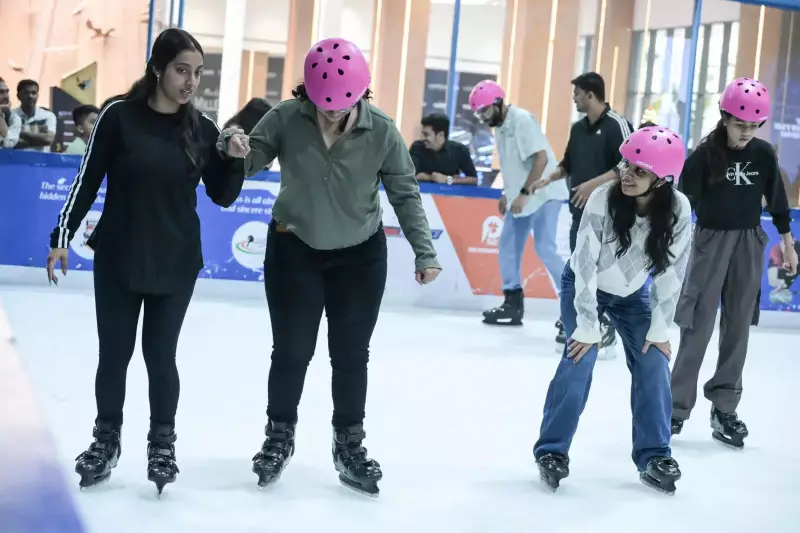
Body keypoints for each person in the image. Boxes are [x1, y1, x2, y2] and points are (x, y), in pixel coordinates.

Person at [218, 38, 441, 497]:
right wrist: (231, 142)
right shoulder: (285, 117)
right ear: (309, 93)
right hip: (293, 248)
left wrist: (425, 252)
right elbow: (251, 158)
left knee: (351, 354)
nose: (333, 114)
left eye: (342, 105)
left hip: (359, 257)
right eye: (324, 106)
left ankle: (349, 446)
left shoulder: (382, 130)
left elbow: (405, 193)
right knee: (291, 351)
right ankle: (278, 437)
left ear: (361, 93)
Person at [45, 28, 248, 494]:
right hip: (119, 255)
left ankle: (161, 444)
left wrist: (235, 159)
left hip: (176, 260)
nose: (191, 81)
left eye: (198, 73)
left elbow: (222, 195)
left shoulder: (203, 128)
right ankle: (106, 441)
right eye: (181, 70)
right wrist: (61, 236)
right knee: (114, 355)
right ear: (157, 69)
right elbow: (87, 178)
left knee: (160, 356)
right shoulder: (118, 116)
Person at [532, 126, 693, 496]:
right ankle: (552, 450)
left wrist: (659, 327)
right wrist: (587, 324)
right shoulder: (603, 197)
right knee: (580, 357)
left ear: (663, 179)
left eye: (639, 170)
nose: (626, 174)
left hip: (632, 296)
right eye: (625, 164)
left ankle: (654, 455)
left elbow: (672, 273)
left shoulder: (679, 210)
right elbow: (585, 263)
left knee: (654, 361)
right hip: (583, 284)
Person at [670, 77, 798, 448]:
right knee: (697, 324)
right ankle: (675, 409)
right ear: (725, 116)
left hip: (749, 241)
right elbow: (682, 206)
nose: (746, 132)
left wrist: (788, 244)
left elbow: (777, 202)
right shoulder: (703, 156)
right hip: (710, 241)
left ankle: (724, 407)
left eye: (754, 125)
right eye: (740, 124)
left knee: (739, 325)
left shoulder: (763, 154)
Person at [533, 73, 633, 355]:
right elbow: (567, 164)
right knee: (579, 270)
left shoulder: (617, 125)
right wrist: (548, 178)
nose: (574, 98)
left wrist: (592, 185)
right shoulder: (578, 129)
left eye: (577, 93)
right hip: (579, 214)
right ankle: (580, 322)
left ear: (591, 94)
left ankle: (607, 328)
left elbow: (628, 165)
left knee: (603, 273)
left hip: (610, 215)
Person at [467, 80, 568, 339]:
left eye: (485, 111)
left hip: (543, 194)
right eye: (479, 114)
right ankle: (512, 304)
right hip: (522, 195)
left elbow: (541, 159)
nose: (483, 118)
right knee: (508, 246)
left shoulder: (522, 120)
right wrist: (507, 192)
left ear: (499, 103)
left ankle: (574, 307)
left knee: (545, 248)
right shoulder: (500, 127)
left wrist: (524, 193)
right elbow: (512, 164)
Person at [409, 113, 478, 185]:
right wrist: (432, 177)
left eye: (426, 134)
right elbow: (409, 175)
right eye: (422, 134)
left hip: (449, 192)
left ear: (441, 135)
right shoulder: (417, 147)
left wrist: (449, 179)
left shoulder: (460, 150)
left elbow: (474, 179)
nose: (422, 138)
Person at [11, 79, 57, 151]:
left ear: (38, 95)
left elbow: (48, 139)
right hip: (16, 157)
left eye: (34, 93)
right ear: (18, 96)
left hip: (40, 158)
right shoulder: (11, 115)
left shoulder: (48, 116)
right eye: (26, 93)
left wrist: (17, 131)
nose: (30, 96)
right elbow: (9, 143)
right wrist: (39, 139)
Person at [0, 77, 22, 149]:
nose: (6, 96)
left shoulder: (14, 118)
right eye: (1, 92)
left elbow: (7, 143)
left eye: (7, 92)